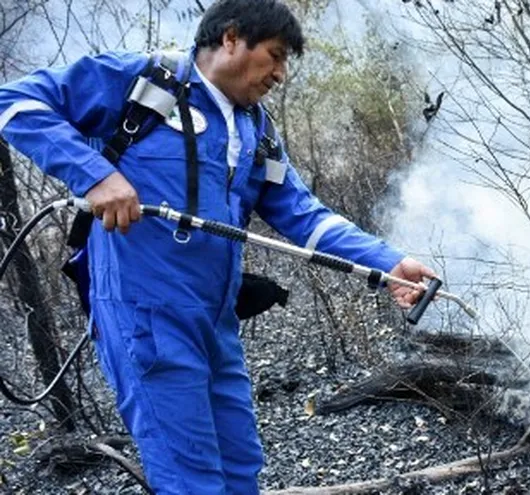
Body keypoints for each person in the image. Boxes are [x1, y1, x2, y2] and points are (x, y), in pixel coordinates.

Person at [0, 1, 436, 493]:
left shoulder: (256, 131)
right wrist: (97, 176)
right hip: (146, 317)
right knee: (191, 477)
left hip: (216, 319)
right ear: (231, 38)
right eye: (274, 55)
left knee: (239, 463)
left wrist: (389, 264)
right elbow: (15, 102)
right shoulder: (145, 83)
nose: (280, 74)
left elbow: (303, 214)